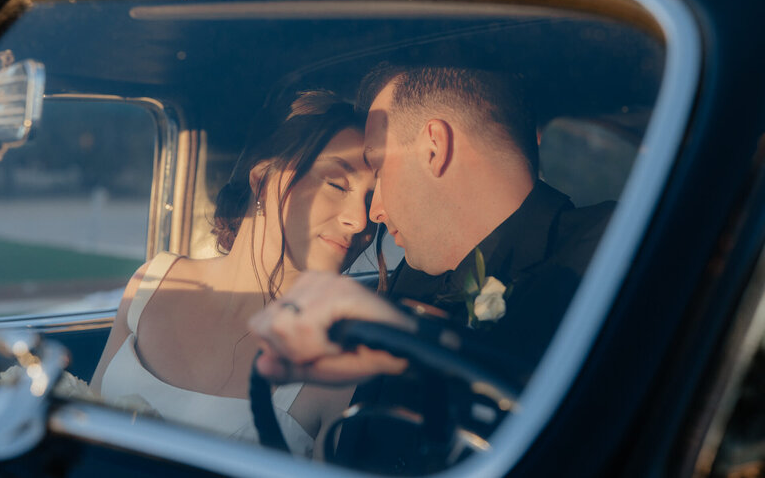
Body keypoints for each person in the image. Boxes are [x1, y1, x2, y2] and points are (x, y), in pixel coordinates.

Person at [249, 66, 614, 471]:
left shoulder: (610, 260)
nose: (374, 213)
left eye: (379, 166)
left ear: (434, 148)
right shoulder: (414, 280)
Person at [90, 90, 377, 458]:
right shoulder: (155, 281)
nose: (361, 221)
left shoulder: (342, 361)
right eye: (338, 185)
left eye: (372, 198)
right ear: (262, 179)